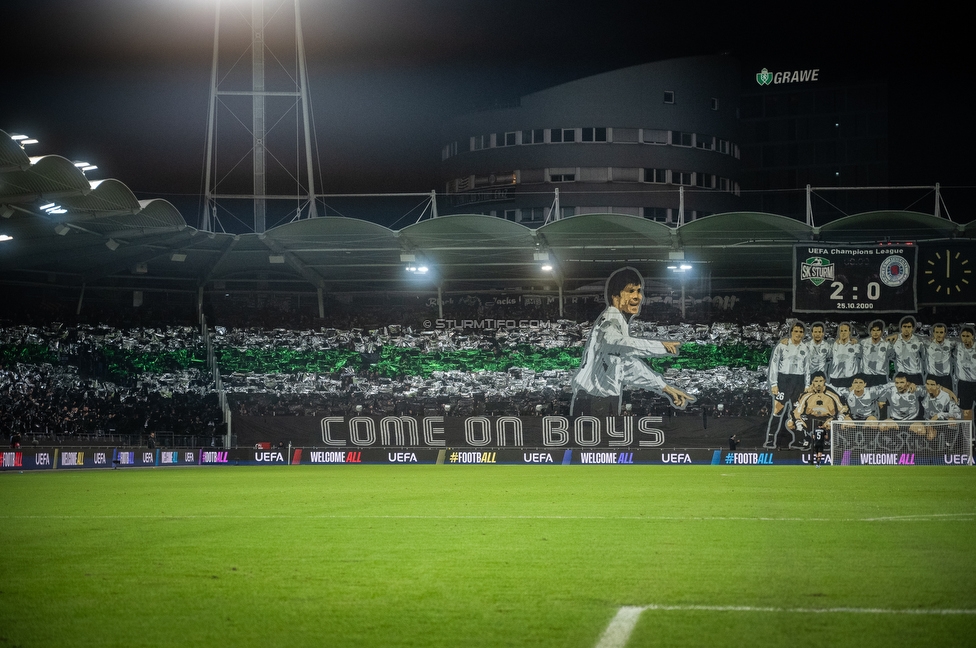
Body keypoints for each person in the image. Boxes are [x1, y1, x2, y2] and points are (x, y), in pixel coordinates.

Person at [570, 267, 695, 415]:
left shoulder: (619, 323)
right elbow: (616, 343)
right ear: (615, 297)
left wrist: (665, 388)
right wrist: (660, 346)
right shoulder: (610, 320)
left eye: (639, 290)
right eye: (631, 291)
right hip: (592, 402)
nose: (638, 296)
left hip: (602, 401)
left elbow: (627, 366)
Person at [764, 322, 810, 449]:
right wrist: (774, 384)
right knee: (778, 409)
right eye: (796, 331)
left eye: (801, 332)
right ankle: (771, 439)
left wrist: (806, 385)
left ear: (803, 334)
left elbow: (807, 369)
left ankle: (803, 439)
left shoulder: (805, 348)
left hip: (798, 380)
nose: (798, 334)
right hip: (783, 379)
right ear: (791, 332)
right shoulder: (782, 346)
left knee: (798, 412)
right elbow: (774, 365)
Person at [786, 371, 845, 450]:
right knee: (790, 422)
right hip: (811, 420)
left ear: (824, 381)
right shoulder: (806, 395)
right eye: (816, 381)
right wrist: (798, 421)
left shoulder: (832, 393)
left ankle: (829, 441)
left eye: (821, 381)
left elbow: (843, 409)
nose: (818, 383)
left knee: (840, 421)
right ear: (812, 382)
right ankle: (804, 440)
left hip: (826, 420)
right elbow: (797, 412)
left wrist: (839, 418)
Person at [888, 316, 924, 385]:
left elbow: (924, 358)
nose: (906, 329)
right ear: (901, 328)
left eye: (909, 327)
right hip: (901, 376)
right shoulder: (895, 341)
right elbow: (891, 358)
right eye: (904, 326)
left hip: (915, 375)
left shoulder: (918, 341)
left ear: (912, 328)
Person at [953, 325, 976, 422]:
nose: (965, 338)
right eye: (963, 336)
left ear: (973, 336)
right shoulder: (957, 347)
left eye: (968, 336)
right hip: (964, 384)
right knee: (966, 411)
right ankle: (968, 435)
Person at [860, 320, 893, 387]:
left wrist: (891, 374)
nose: (875, 332)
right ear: (870, 331)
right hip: (867, 376)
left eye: (878, 330)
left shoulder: (887, 345)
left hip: (881, 376)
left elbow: (892, 359)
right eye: (873, 330)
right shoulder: (863, 343)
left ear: (881, 331)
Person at [827, 322, 860, 389]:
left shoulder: (855, 345)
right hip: (836, 377)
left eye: (845, 330)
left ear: (849, 332)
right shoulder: (833, 345)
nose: (843, 333)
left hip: (850, 377)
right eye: (841, 331)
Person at [922, 323, 954, 389]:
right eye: (937, 332)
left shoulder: (950, 343)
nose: (939, 335)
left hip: (945, 378)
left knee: (947, 398)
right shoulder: (928, 343)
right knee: (931, 398)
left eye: (941, 332)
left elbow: (962, 340)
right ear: (933, 333)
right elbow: (915, 337)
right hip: (932, 377)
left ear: (945, 333)